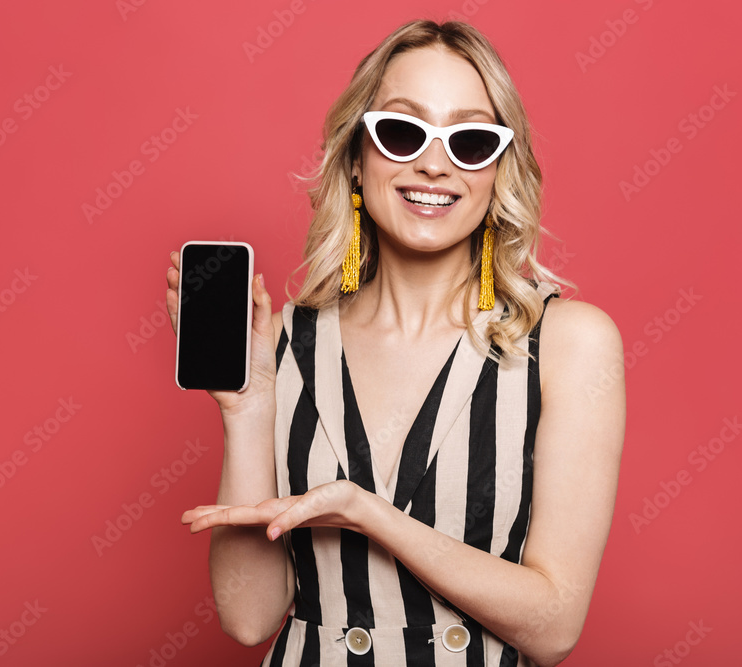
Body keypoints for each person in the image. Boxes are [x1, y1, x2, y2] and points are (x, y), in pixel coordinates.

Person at [166, 19, 625, 667]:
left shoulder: (566, 343)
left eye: (469, 140)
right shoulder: (288, 340)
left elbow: (553, 626)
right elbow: (248, 618)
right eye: (403, 131)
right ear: (357, 156)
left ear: (498, 170)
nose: (434, 162)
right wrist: (247, 413)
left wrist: (371, 514)